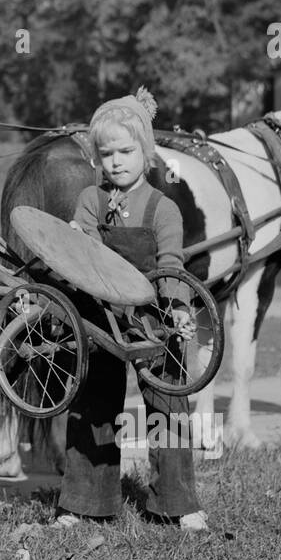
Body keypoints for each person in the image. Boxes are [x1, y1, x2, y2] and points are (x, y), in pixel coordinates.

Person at [57, 87, 209, 532]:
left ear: (146, 151)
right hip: (99, 314)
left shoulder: (163, 209)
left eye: (126, 151)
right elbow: (78, 255)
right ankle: (84, 502)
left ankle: (177, 504)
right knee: (92, 403)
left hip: (152, 319)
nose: (116, 162)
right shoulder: (90, 201)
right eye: (106, 154)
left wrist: (177, 309)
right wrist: (73, 238)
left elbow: (170, 267)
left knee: (168, 407)